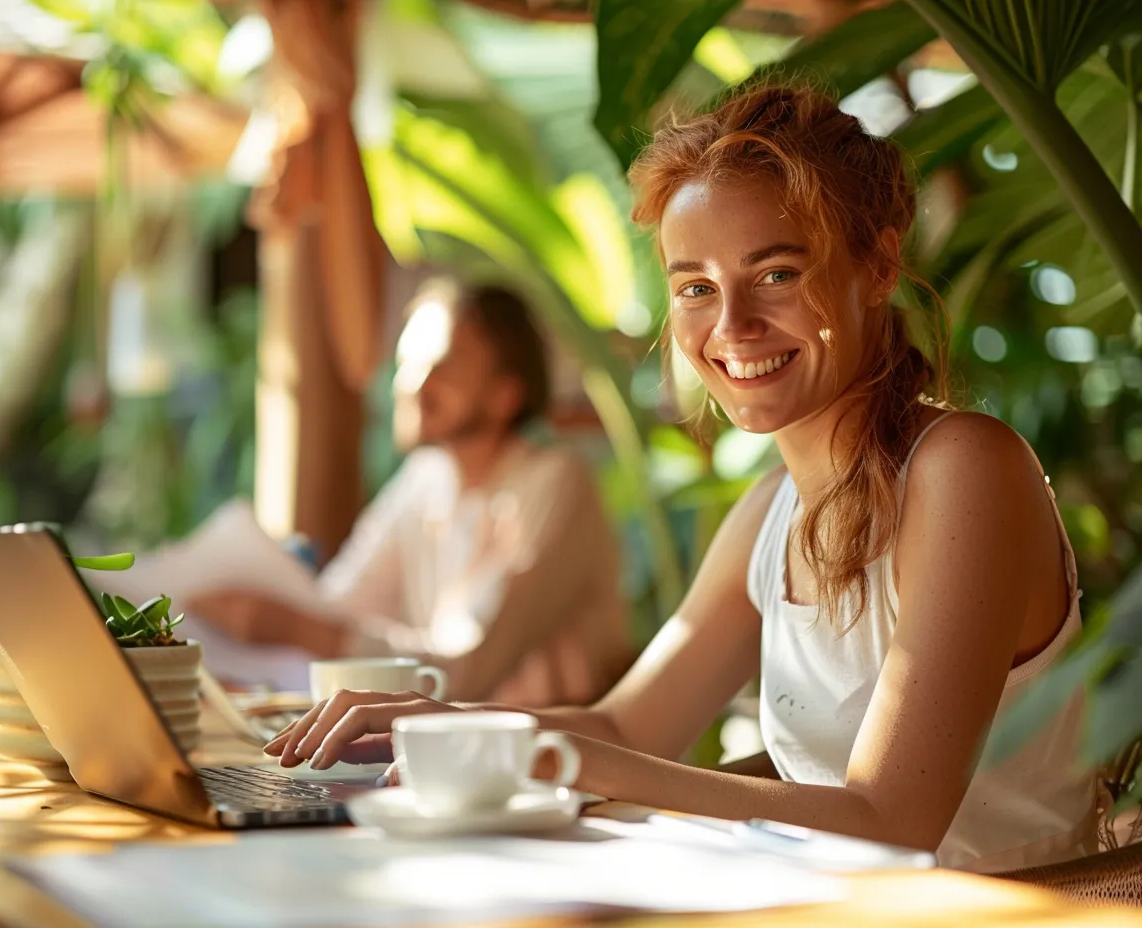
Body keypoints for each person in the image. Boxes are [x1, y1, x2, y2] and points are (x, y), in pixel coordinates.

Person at [264, 84, 1097, 873]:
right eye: (696, 288)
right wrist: (443, 724)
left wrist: (563, 758)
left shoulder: (964, 470)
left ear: (878, 267)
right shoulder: (773, 509)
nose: (730, 327)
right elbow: (629, 722)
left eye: (776, 274)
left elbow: (892, 824)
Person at [189, 279, 632, 707]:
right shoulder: (424, 479)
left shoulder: (556, 483)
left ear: (506, 394)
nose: (411, 384)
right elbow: (341, 608)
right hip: (453, 748)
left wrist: (293, 626)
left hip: (561, 758)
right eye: (407, 362)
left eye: (440, 366)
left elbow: (467, 669)